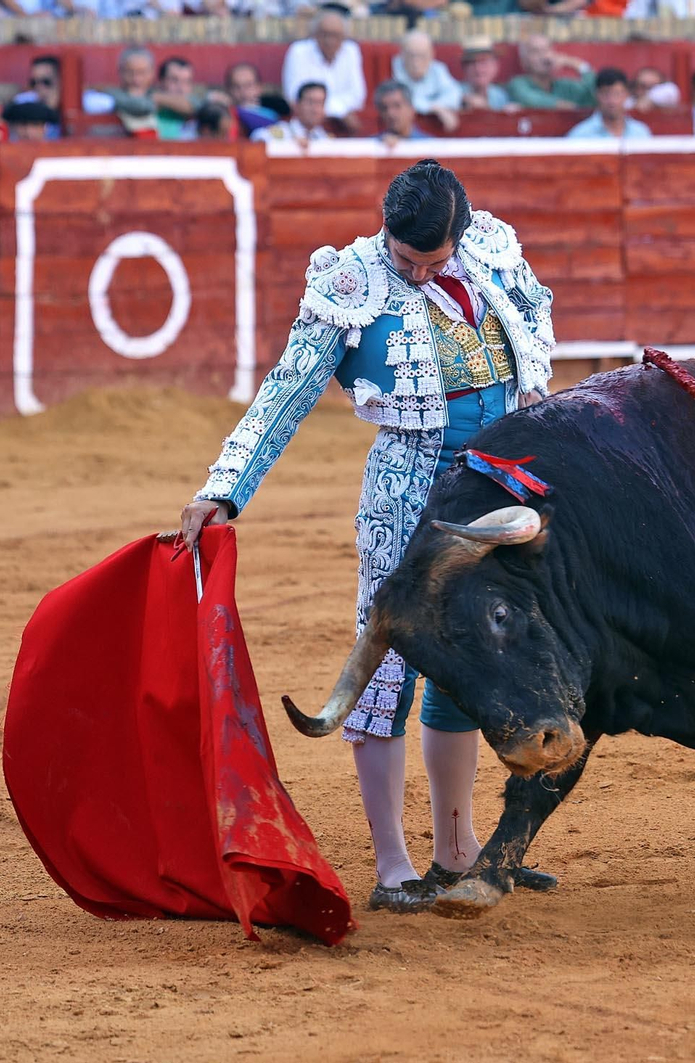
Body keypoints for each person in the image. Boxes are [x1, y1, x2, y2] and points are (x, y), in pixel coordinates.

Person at [170, 160, 558, 914]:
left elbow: (535, 317)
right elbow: (288, 388)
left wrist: (534, 385)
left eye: (430, 260)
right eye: (404, 257)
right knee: (385, 669)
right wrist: (225, 487)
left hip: (496, 478)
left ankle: (457, 852)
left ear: (461, 233)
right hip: (407, 491)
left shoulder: (492, 248)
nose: (413, 271)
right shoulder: (349, 282)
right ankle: (391, 864)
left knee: (468, 662)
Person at [283, 8, 366, 133]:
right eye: (324, 34)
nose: (329, 40)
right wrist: (340, 111)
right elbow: (295, 95)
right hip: (306, 125)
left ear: (344, 36)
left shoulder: (351, 51)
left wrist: (324, 107)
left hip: (341, 124)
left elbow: (357, 96)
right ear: (314, 34)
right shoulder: (298, 51)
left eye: (335, 35)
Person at [393, 30, 463, 134]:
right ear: (402, 55)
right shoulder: (392, 68)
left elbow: (454, 95)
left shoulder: (437, 69)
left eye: (422, 55)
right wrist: (435, 109)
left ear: (431, 55)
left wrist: (436, 106)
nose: (416, 62)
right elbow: (403, 101)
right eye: (411, 55)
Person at [507, 34, 595, 111]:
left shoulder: (565, 86)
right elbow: (532, 100)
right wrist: (569, 106)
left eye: (546, 50)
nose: (543, 56)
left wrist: (577, 65)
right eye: (535, 51)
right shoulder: (518, 84)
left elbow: (597, 95)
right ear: (524, 61)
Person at [566, 68, 653, 139]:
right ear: (597, 95)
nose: (612, 101)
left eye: (617, 94)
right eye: (605, 94)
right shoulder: (580, 135)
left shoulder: (641, 132)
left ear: (626, 95)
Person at [253, 81, 332, 143]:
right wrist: (289, 143)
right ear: (296, 105)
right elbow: (257, 137)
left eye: (320, 103)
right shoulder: (284, 131)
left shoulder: (325, 137)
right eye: (310, 102)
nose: (315, 109)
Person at [9, 55, 65, 139]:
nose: (38, 87)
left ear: (60, 81)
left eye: (46, 82)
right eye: (34, 82)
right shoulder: (23, 106)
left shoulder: (86, 105)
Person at [224, 62, 282, 138]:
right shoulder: (224, 114)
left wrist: (236, 110)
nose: (242, 91)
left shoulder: (270, 115)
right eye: (236, 86)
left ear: (259, 87)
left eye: (248, 85)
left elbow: (273, 128)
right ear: (228, 89)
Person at [459, 37, 515, 113]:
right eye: (472, 63)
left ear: (495, 66)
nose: (478, 69)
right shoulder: (454, 92)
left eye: (483, 62)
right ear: (464, 68)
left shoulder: (500, 95)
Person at [154, 56, 199, 142]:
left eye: (187, 82)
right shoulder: (149, 112)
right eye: (174, 80)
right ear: (160, 82)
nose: (181, 88)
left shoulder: (199, 113)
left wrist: (156, 97)